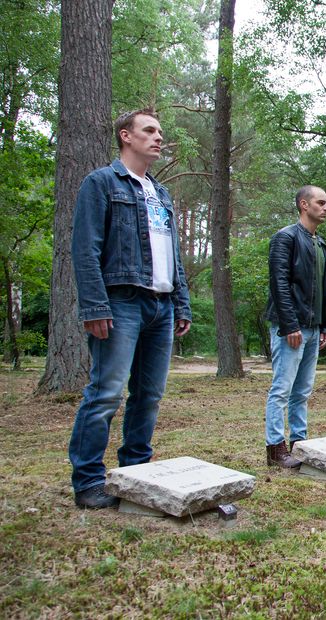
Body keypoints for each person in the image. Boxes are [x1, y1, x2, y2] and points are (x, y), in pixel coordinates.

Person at [68, 109, 192, 509]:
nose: (159, 138)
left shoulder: (161, 193)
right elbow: (85, 249)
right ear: (126, 136)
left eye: (160, 132)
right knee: (105, 393)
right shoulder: (101, 183)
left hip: (161, 305)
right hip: (120, 302)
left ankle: (136, 471)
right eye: (150, 131)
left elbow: (173, 252)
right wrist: (94, 305)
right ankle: (88, 482)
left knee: (149, 395)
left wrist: (181, 301)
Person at [263, 185, 326, 468]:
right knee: (282, 388)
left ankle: (299, 443)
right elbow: (279, 283)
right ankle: (275, 449)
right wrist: (290, 325)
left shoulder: (321, 244)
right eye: (321, 202)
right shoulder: (285, 238)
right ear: (304, 205)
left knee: (302, 390)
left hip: (314, 328)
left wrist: (325, 325)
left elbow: (324, 289)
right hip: (290, 327)